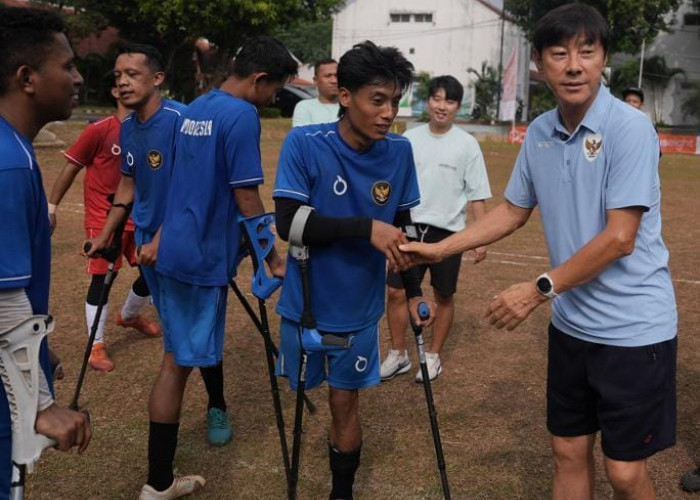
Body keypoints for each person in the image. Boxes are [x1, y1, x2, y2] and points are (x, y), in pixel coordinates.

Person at [401, 4, 677, 500]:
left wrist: (536, 289)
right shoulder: (541, 132)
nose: (574, 65)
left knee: (625, 474)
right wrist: (441, 249)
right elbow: (513, 210)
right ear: (539, 62)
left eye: (586, 52)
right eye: (559, 53)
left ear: (603, 60)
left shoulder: (629, 128)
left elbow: (620, 237)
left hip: (634, 331)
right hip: (573, 329)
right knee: (568, 454)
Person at [134, 36, 297, 499]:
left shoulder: (198, 106)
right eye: (275, 92)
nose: (272, 101)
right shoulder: (241, 115)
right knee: (176, 363)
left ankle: (160, 477)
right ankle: (158, 483)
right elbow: (247, 194)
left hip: (171, 249)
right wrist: (272, 256)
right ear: (260, 80)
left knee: (177, 356)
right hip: (198, 258)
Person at [274, 40, 434, 500]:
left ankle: (340, 495)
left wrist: (416, 292)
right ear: (346, 96)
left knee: (345, 403)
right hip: (304, 303)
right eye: (377, 100)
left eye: (395, 102)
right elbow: (289, 222)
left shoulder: (399, 152)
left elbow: (402, 228)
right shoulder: (306, 143)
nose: (388, 113)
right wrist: (366, 228)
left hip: (358, 309)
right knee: (304, 398)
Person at [86, 44, 233, 450]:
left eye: (132, 73)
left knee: (196, 329)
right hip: (152, 248)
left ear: (157, 79)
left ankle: (217, 404)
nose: (122, 81)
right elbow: (129, 185)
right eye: (118, 75)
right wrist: (106, 233)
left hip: (184, 243)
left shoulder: (183, 121)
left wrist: (162, 239)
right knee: (179, 331)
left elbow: (198, 190)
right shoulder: (129, 127)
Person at [0, 6, 92, 496]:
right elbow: (1, 297)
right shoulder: (8, 163)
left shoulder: (14, 150)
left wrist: (37, 350)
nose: (78, 77)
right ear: (27, 78)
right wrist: (37, 403)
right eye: (68, 65)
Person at [380, 75, 491, 383]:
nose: (442, 106)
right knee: (395, 290)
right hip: (410, 227)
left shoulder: (467, 144)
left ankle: (432, 356)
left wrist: (480, 237)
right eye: (437, 99)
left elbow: (477, 194)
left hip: (448, 233)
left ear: (458, 106)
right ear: (427, 101)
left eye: (450, 101)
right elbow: (392, 186)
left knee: (443, 295)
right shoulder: (408, 139)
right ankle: (399, 354)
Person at [49, 83, 161, 373]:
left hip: (141, 217)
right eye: (122, 80)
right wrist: (51, 208)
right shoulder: (98, 130)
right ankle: (96, 345)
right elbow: (71, 166)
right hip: (104, 219)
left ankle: (129, 315)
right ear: (113, 92)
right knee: (101, 281)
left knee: (154, 270)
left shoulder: (150, 130)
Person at [291, 58, 339, 126]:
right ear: (315, 80)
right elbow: (303, 135)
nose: (334, 81)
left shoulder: (350, 108)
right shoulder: (304, 107)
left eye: (337, 76)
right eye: (328, 76)